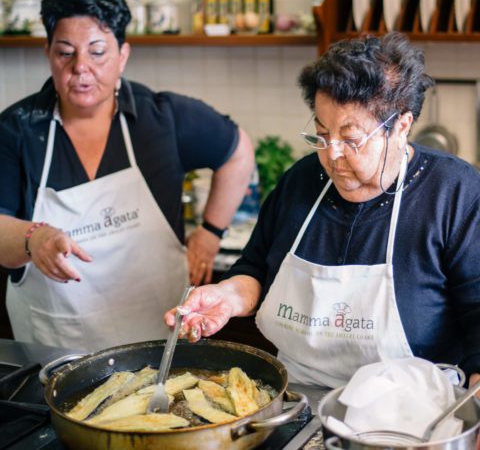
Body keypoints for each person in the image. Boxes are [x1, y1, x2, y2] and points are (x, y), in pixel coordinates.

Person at [165, 32, 480, 394]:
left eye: (351, 139)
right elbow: (254, 269)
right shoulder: (301, 181)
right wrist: (226, 296)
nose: (332, 156)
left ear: (402, 126)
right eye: (321, 134)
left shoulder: (455, 193)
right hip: (296, 405)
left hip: (412, 417)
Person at [0, 0, 254, 352]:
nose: (81, 68)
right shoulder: (17, 129)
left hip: (156, 347)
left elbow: (238, 151)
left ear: (123, 55)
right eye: (65, 53)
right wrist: (33, 238)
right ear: (48, 53)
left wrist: (210, 232)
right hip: (53, 353)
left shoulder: (163, 119)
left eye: (98, 52)